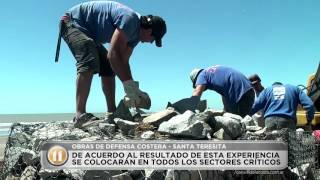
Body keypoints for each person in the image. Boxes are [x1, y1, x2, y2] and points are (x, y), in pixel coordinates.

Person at [56, 1, 167, 128]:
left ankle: (112, 112)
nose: (151, 42)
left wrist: (132, 89)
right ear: (149, 31)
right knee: (89, 60)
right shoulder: (130, 20)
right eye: (154, 39)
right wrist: (129, 86)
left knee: (109, 68)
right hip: (72, 22)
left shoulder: (135, 37)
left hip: (89, 33)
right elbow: (113, 55)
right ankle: (80, 115)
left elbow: (122, 62)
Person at [190, 65, 255, 117]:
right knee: (242, 120)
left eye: (196, 84)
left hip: (240, 93)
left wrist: (189, 110)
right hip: (248, 90)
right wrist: (225, 111)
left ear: (196, 79)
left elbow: (197, 92)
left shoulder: (201, 75)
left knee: (238, 121)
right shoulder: (211, 72)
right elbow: (224, 93)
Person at [250, 82, 315, 131]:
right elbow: (310, 105)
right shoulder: (294, 88)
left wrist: (243, 117)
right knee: (288, 146)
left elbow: (254, 106)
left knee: (271, 146)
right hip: (288, 121)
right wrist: (309, 120)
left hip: (270, 121)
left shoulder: (267, 90)